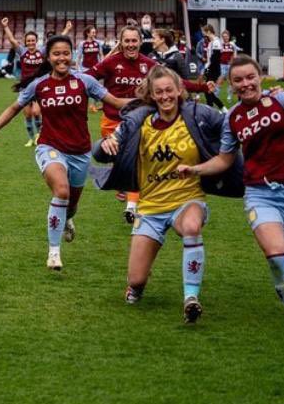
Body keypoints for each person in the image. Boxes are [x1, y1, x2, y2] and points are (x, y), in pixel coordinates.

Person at [177, 54, 284, 335]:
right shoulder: (232, 118)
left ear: (260, 77)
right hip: (260, 193)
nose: (245, 84)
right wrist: (195, 169)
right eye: (238, 81)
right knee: (275, 254)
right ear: (232, 86)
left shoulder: (282, 99)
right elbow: (224, 160)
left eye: (250, 77)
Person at [93, 66, 244, 320]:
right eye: (158, 92)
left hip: (188, 199)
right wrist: (106, 144)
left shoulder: (198, 115)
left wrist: (266, 102)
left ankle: (191, 298)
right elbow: (98, 151)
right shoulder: (138, 121)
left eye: (169, 91)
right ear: (151, 95)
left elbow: (233, 123)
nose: (165, 97)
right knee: (136, 279)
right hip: (150, 208)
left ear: (179, 90)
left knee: (192, 226)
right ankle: (137, 286)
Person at [0, 36, 131, 270]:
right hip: (49, 147)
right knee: (61, 190)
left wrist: (148, 101)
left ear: (72, 56)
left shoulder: (85, 81)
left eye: (66, 53)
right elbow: (13, 108)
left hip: (80, 151)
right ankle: (53, 252)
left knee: (71, 205)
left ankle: (68, 218)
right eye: (56, 54)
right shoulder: (38, 85)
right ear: (48, 58)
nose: (62, 58)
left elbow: (116, 102)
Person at [86, 25, 159, 222]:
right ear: (121, 42)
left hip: (138, 123)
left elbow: (171, 81)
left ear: (140, 42)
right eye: (126, 41)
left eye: (134, 40)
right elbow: (87, 77)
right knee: (121, 162)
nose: (131, 44)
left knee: (136, 160)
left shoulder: (149, 64)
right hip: (111, 122)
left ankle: (131, 207)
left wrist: (201, 87)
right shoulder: (110, 62)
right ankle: (120, 182)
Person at [2, 16, 45, 147]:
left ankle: (39, 136)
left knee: (36, 112)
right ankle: (31, 138)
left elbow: (54, 42)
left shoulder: (42, 51)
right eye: (29, 41)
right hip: (25, 87)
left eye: (33, 40)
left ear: (36, 41)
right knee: (27, 115)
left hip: (39, 87)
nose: (31, 42)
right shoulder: (22, 52)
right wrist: (5, 27)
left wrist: (66, 29)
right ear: (25, 42)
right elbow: (12, 40)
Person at [218, 30, 242, 102]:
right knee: (220, 80)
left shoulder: (232, 44)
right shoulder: (220, 45)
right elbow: (217, 54)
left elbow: (235, 52)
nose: (225, 38)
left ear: (229, 36)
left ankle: (229, 96)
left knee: (230, 81)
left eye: (226, 36)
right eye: (224, 36)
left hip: (230, 65)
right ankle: (216, 95)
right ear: (222, 37)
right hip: (222, 65)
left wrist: (234, 61)